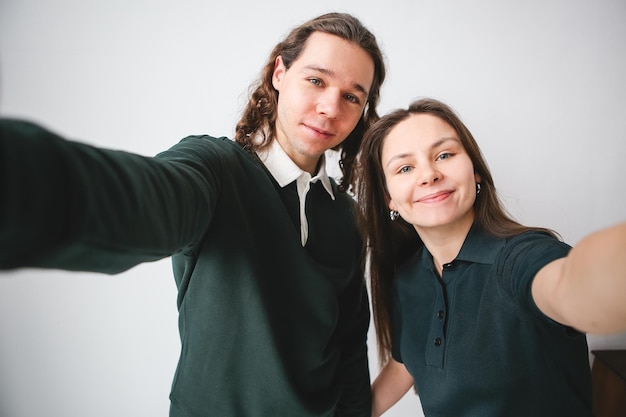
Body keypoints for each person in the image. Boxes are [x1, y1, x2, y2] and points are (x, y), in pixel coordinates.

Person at [0, 12, 386, 417]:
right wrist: (23, 180)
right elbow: (143, 199)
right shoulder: (215, 168)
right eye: (316, 80)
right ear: (279, 73)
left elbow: (347, 347)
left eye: (352, 96)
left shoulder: (347, 217)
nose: (330, 107)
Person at [354, 98, 626, 417]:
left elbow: (572, 285)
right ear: (391, 200)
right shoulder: (408, 279)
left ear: (476, 171)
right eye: (405, 168)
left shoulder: (521, 258)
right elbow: (407, 362)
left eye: (444, 155)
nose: (428, 175)